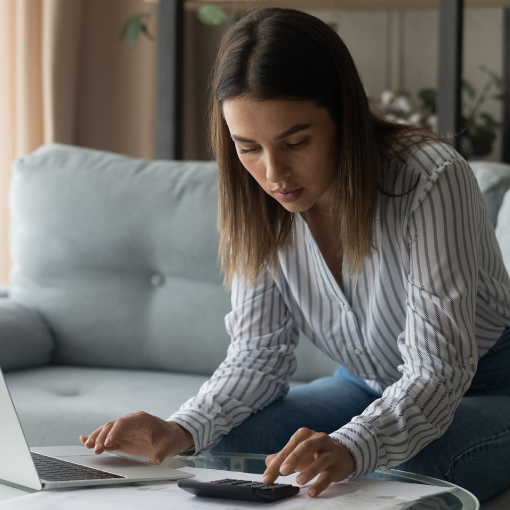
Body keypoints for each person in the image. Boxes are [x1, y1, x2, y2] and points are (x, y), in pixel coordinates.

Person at [80, 8, 510, 502]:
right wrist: (180, 428)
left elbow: (437, 370)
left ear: (344, 118)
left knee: (413, 469)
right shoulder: (255, 197)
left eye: (297, 141)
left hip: (489, 382)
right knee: (231, 450)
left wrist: (353, 444)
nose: (274, 173)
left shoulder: (429, 178)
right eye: (249, 148)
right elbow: (257, 357)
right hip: (366, 384)